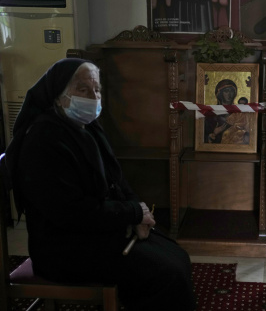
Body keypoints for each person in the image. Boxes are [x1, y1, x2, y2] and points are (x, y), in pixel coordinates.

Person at [4, 58, 196, 311]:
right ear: (57, 96)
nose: (93, 97)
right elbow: (71, 213)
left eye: (96, 90)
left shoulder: (89, 128)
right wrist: (133, 212)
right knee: (165, 272)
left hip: (95, 232)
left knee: (177, 256)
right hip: (64, 249)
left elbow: (117, 180)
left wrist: (138, 214)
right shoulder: (43, 141)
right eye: (83, 90)